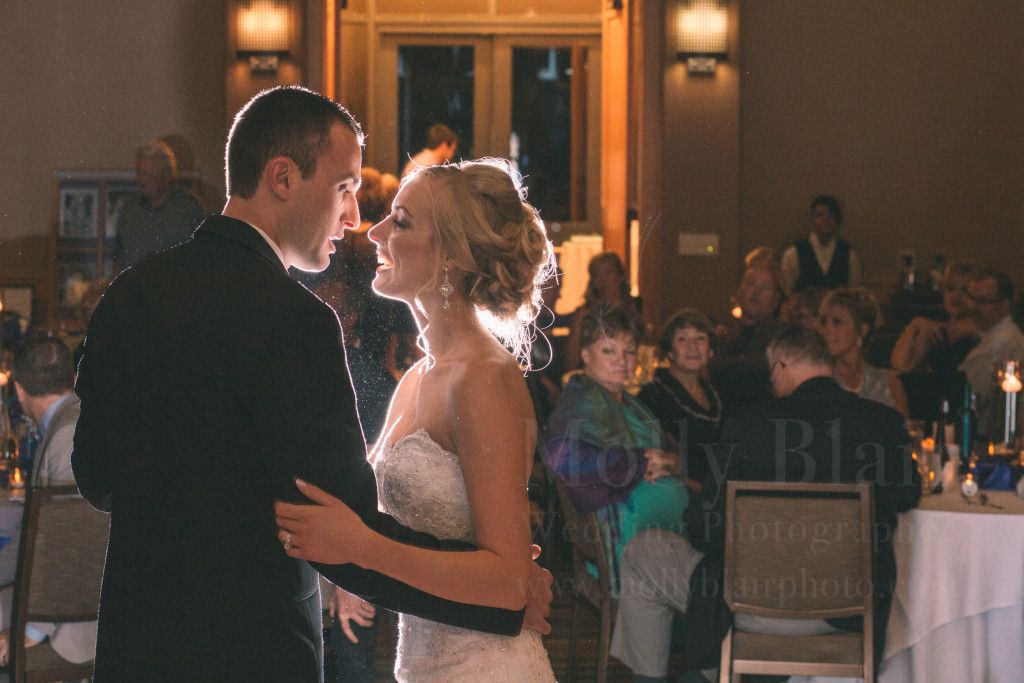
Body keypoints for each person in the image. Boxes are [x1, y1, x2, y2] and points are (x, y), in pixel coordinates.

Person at [72, 86, 552, 681]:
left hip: (135, 644)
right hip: (254, 652)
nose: (355, 220)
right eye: (344, 188)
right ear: (282, 178)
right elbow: (337, 528)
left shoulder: (127, 296)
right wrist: (503, 600)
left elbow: (94, 475)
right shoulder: (295, 321)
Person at [274, 157, 557, 680]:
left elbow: (509, 584)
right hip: (424, 661)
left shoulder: (482, 380)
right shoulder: (417, 378)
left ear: (450, 256)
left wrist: (360, 546)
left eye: (400, 221)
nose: (375, 230)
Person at [612, 327, 921, 683]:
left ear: (780, 366)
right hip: (851, 611)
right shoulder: (884, 423)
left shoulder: (749, 424)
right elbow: (908, 496)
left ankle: (672, 675)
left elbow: (708, 528)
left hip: (750, 606)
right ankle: (712, 671)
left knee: (644, 552)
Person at [543, 305, 693, 682]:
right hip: (621, 546)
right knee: (722, 578)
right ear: (586, 353)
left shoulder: (633, 405)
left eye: (629, 352)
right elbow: (564, 459)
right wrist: (639, 462)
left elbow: (673, 453)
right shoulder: (580, 401)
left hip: (659, 535)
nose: (622, 362)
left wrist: (672, 463)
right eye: (609, 351)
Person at [0, 336, 96, 669]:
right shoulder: (68, 419)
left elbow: (73, 544)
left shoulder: (67, 435)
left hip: (71, 621)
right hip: (52, 594)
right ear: (72, 379)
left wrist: (30, 632)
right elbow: (33, 533)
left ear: (18, 388)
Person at [637, 309, 722, 488]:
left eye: (700, 338)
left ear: (711, 351)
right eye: (682, 339)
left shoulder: (717, 394)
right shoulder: (654, 396)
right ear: (670, 352)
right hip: (676, 492)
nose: (693, 346)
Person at [113, 139, 206, 269]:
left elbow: (200, 259)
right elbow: (118, 258)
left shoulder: (188, 209)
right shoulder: (130, 207)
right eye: (138, 172)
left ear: (166, 175)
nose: (141, 179)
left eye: (147, 174)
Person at [709, 261, 787, 417]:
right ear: (738, 293)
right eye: (750, 284)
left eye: (765, 288)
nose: (756, 292)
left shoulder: (782, 335)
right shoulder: (724, 334)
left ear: (775, 300)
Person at [819, 287, 910, 418]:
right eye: (824, 322)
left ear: (863, 329)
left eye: (836, 322)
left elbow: (905, 434)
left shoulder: (890, 384)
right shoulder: (821, 381)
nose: (826, 330)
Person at [959, 268, 1024, 438]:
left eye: (982, 301)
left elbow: (965, 393)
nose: (973, 307)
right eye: (971, 299)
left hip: (988, 439)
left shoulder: (999, 344)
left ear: (1004, 306)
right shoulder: (1003, 335)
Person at [891, 259, 981, 374]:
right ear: (944, 293)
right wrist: (914, 325)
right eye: (951, 288)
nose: (956, 296)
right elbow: (900, 365)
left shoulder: (983, 329)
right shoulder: (937, 330)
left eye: (964, 290)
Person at [565, 252, 643, 371]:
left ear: (621, 276)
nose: (602, 280)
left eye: (608, 273)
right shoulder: (583, 314)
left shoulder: (640, 307)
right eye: (596, 275)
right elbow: (571, 362)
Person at [780, 194, 861, 295]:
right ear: (812, 220)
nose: (825, 220)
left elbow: (854, 293)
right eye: (820, 215)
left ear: (837, 220)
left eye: (831, 215)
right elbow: (788, 294)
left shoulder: (849, 254)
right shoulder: (793, 254)